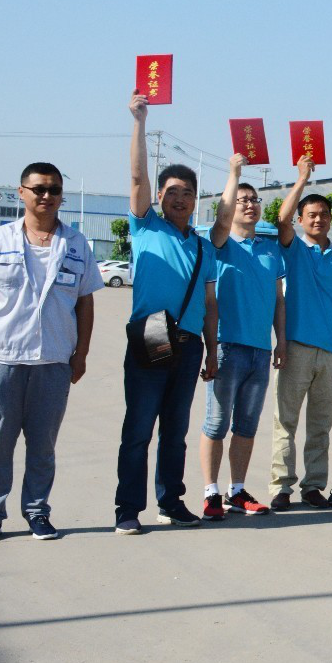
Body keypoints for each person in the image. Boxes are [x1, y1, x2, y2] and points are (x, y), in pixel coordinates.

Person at [0, 162, 102, 542]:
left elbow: (85, 303)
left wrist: (81, 354)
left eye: (54, 189)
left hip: (53, 360)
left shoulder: (76, 244)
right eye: (39, 188)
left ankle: (38, 511)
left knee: (43, 446)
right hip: (3, 358)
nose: (46, 196)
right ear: (22, 192)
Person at [116, 92, 218, 534]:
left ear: (196, 200)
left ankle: (171, 502)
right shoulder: (145, 225)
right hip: (153, 333)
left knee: (175, 430)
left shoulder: (203, 247)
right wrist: (139, 122)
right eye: (172, 192)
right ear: (159, 196)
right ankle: (127, 509)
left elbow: (210, 306)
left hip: (190, 344)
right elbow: (137, 176)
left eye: (188, 193)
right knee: (139, 428)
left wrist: (211, 351)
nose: (180, 199)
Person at [198, 154, 286, 519]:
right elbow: (221, 221)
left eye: (254, 200)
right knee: (216, 424)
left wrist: (281, 341)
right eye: (242, 200)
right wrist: (234, 173)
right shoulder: (219, 244)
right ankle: (211, 492)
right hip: (227, 346)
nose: (249, 205)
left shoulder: (270, 250)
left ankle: (237, 490)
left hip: (259, 350)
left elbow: (279, 299)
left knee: (246, 426)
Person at [268, 156, 332, 511]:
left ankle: (313, 486)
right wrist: (302, 179)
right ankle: (281, 487)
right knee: (286, 421)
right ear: (302, 220)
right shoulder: (293, 250)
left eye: (324, 215)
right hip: (296, 347)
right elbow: (281, 220)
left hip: (330, 353)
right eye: (312, 215)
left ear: (331, 219)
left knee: (320, 425)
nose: (319, 219)